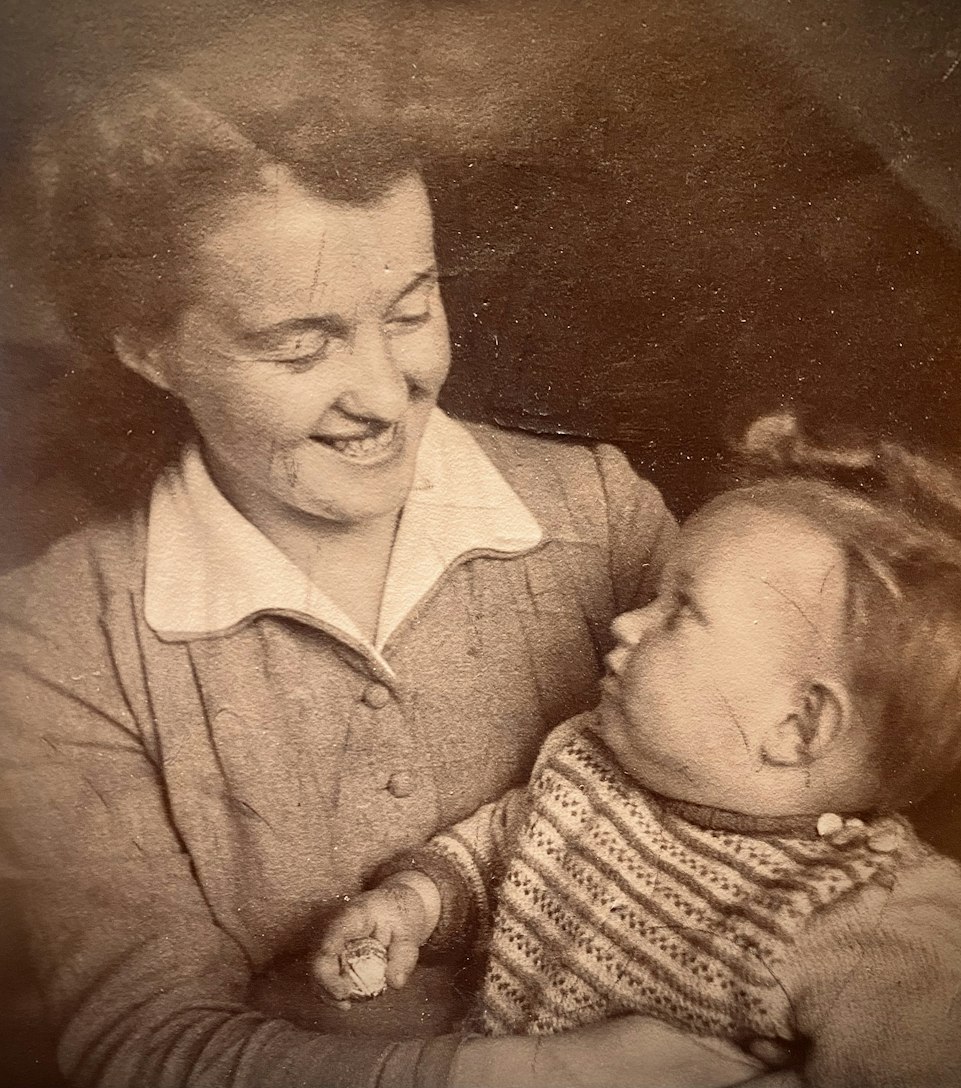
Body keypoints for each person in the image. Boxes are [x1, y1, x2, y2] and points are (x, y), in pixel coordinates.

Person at [0, 53, 797, 1088]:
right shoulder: (60, 640)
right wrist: (552, 1076)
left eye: (413, 308)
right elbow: (150, 1044)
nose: (385, 392)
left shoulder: (597, 515)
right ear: (151, 349)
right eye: (301, 345)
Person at [315, 414, 961, 1088]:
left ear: (798, 726)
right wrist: (410, 904)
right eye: (654, 596)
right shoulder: (592, 768)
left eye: (680, 612)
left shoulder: (875, 925)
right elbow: (497, 849)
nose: (626, 622)